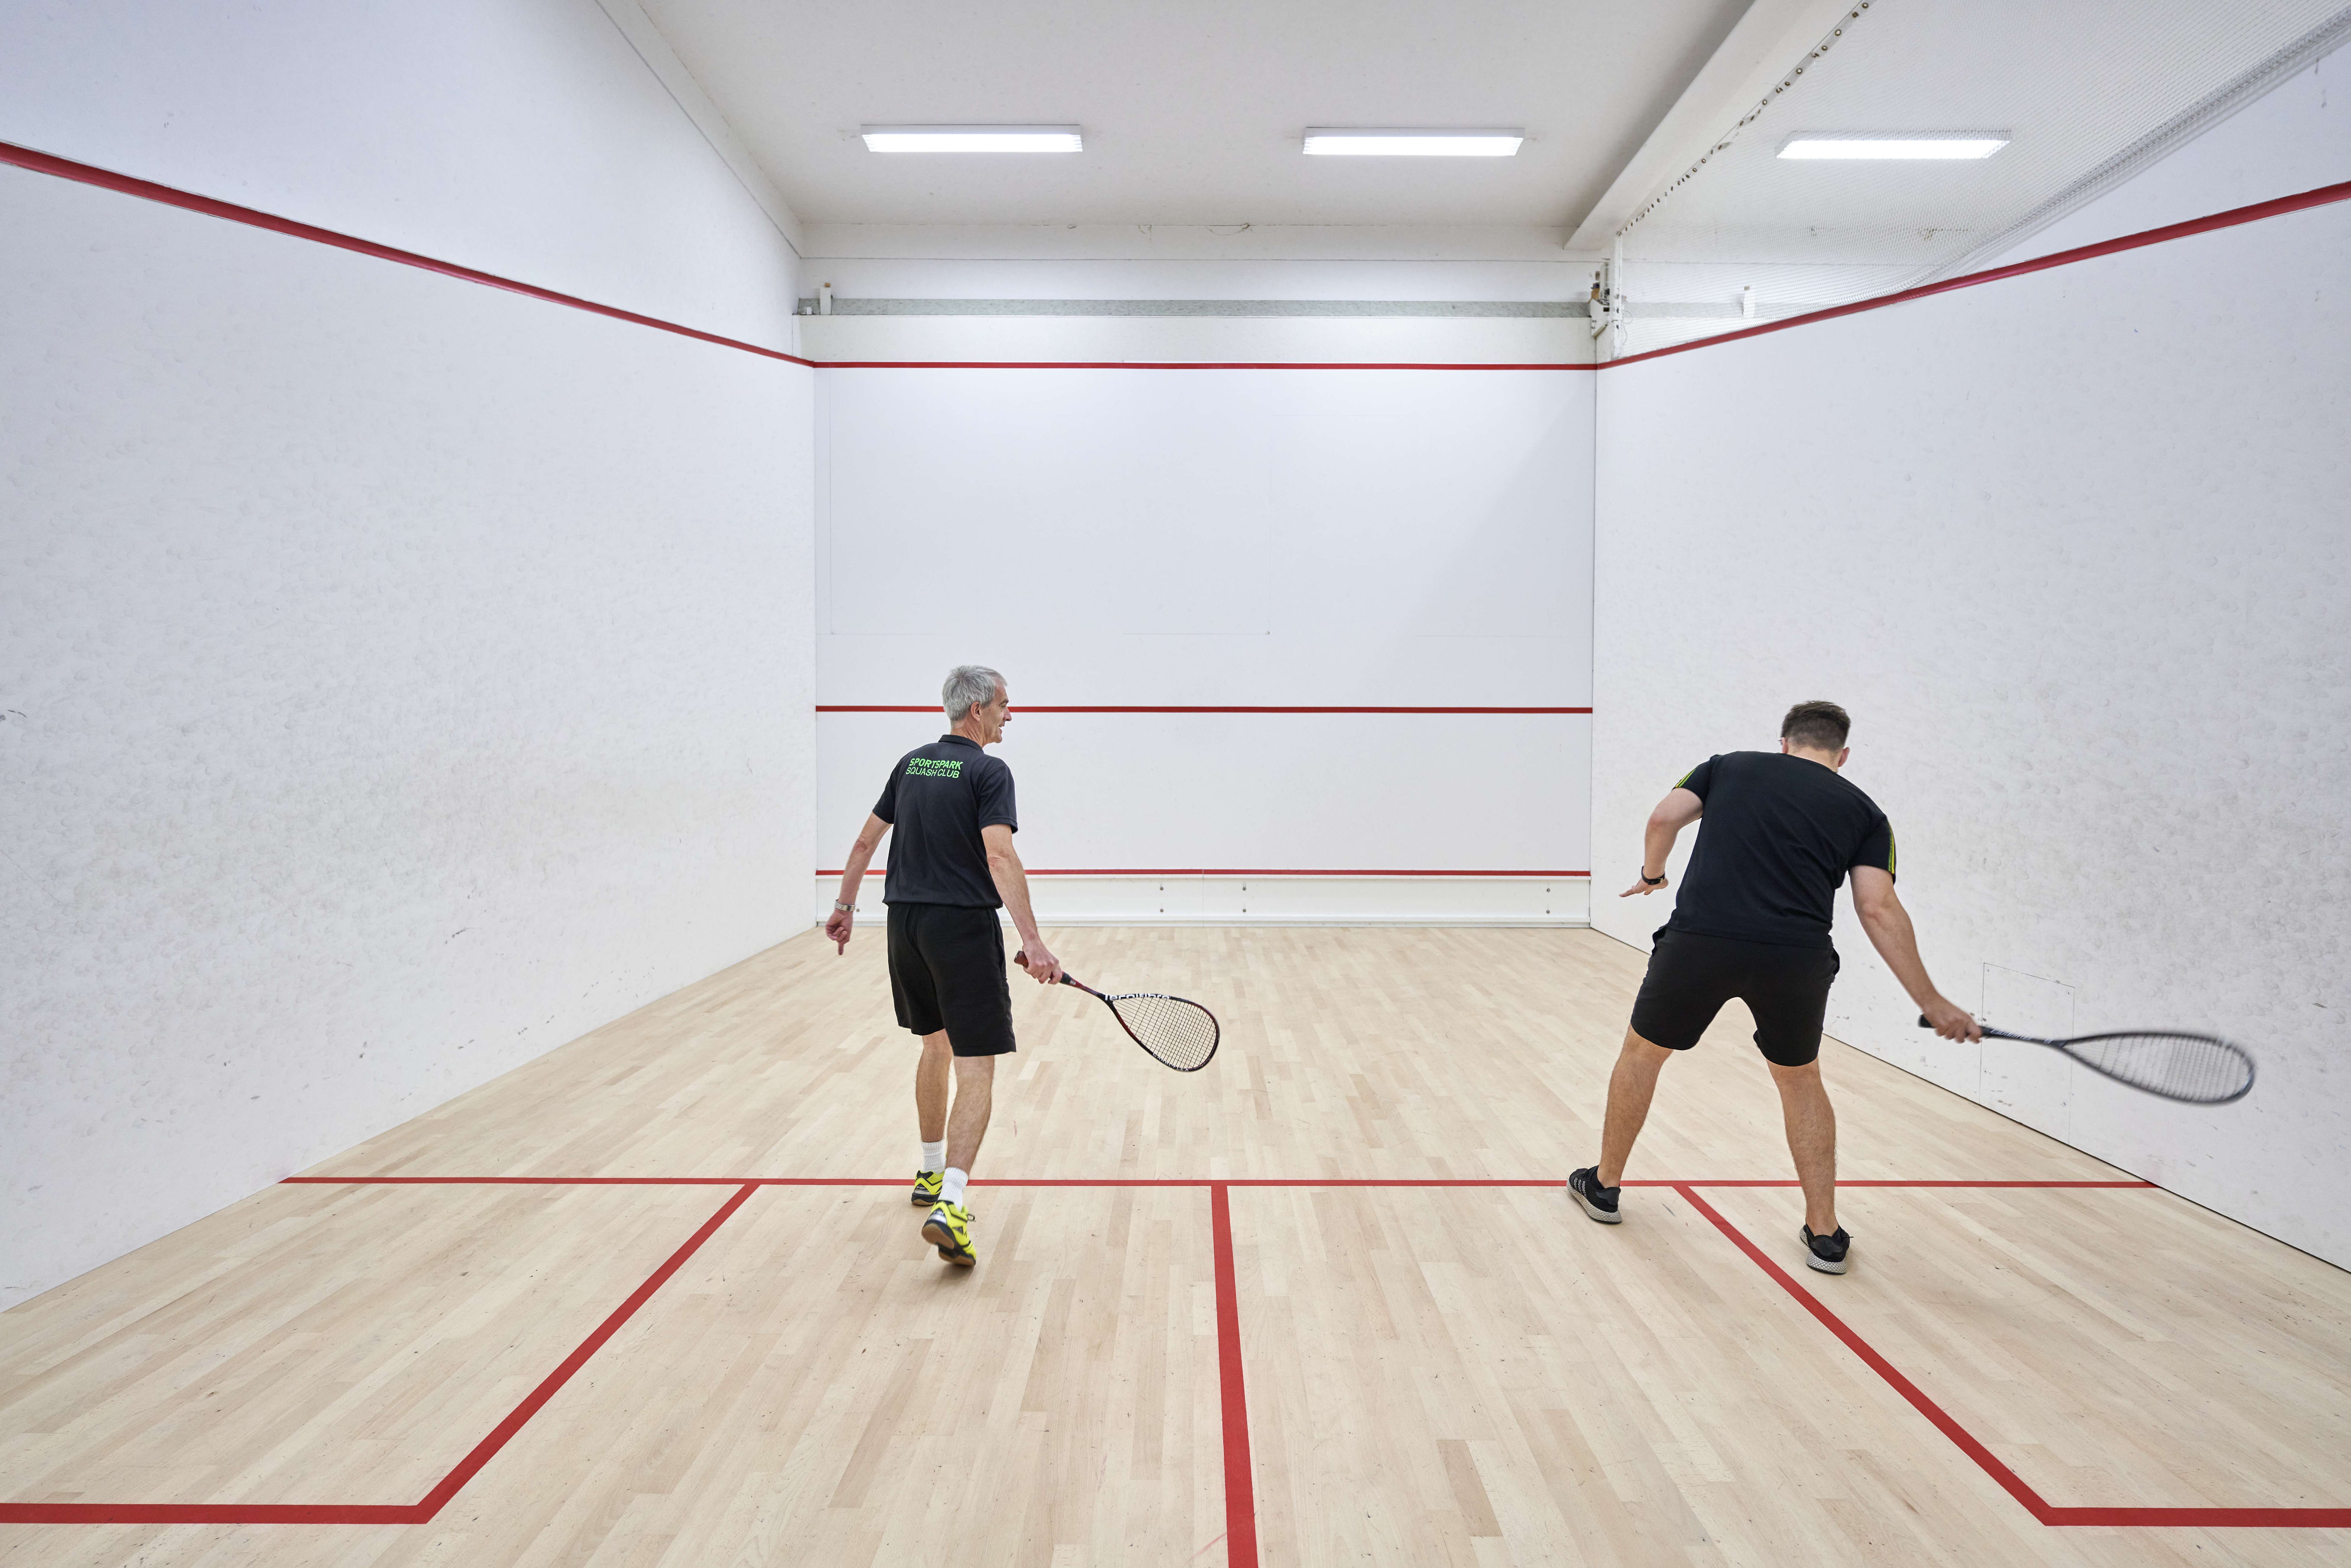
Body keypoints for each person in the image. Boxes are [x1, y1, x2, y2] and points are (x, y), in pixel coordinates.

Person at [1566, 700, 1981, 1274]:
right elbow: (1876, 906)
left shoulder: (1728, 766)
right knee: (1799, 1079)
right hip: (1794, 958)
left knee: (1644, 1053)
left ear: (1784, 743)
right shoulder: (1866, 813)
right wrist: (1931, 1003)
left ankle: (1605, 1187)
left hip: (1700, 942)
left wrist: (1653, 874)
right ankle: (1825, 1233)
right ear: (1841, 756)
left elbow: (1664, 818)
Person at [824, 665, 1061, 1267]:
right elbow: (999, 854)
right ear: (978, 708)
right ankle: (951, 1204)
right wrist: (1033, 942)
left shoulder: (911, 764)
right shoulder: (988, 771)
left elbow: (862, 844)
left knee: (935, 1047)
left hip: (903, 925)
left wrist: (845, 908)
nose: (1011, 716)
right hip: (959, 928)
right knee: (974, 1063)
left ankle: (929, 1173)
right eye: (1006, 705)